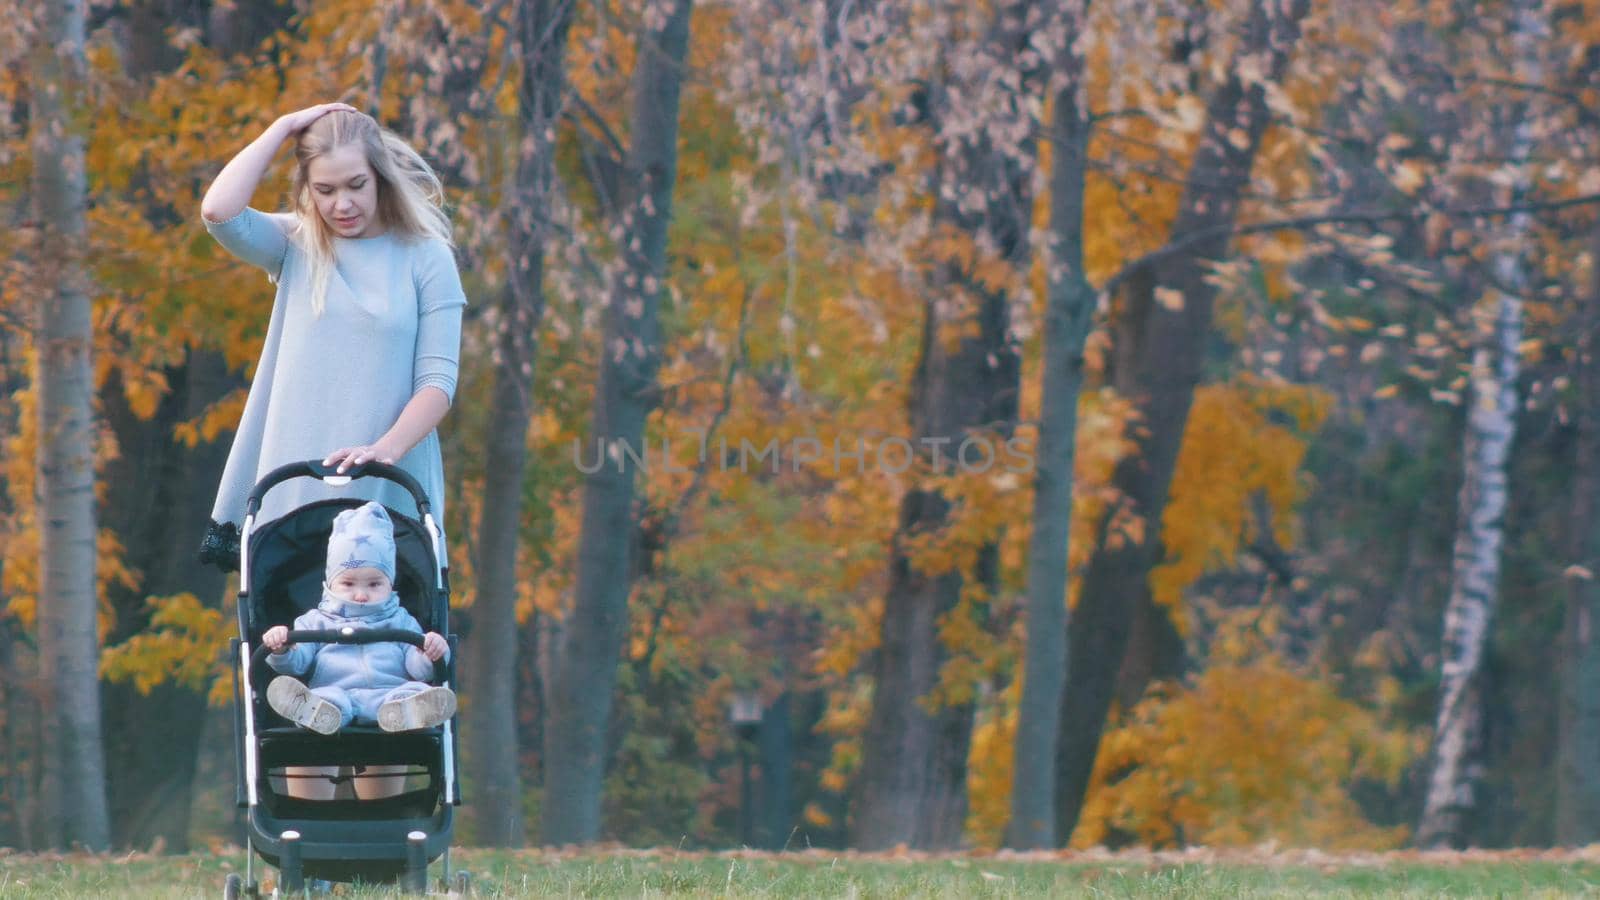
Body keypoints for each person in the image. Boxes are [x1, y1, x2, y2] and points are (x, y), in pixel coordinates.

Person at [197, 102, 466, 568]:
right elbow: (219, 212)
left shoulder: (427, 257)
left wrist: (383, 451)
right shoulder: (296, 244)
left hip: (389, 485)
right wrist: (282, 128)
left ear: (380, 176)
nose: (342, 204)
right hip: (292, 489)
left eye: (356, 185)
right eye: (325, 189)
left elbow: (438, 383)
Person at [263, 501, 455, 736]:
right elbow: (298, 663)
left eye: (374, 584)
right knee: (325, 698)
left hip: (390, 696)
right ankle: (314, 713)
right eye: (348, 584)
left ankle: (412, 711)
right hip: (336, 691)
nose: (361, 594)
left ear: (390, 583)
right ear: (330, 583)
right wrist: (281, 650)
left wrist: (431, 654)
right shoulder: (315, 622)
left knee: (414, 689)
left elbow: (418, 670)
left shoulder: (401, 620)